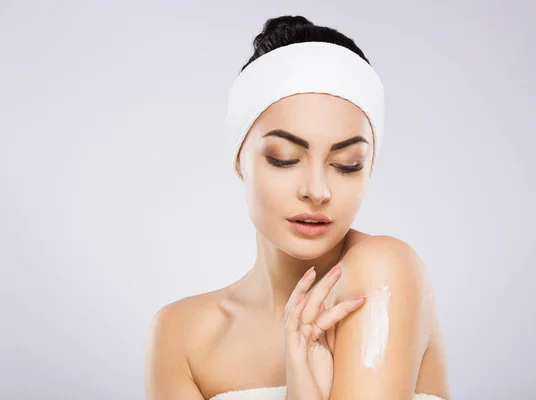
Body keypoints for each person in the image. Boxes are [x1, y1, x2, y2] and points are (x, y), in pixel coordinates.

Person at [146, 15, 451, 400]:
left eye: (347, 165)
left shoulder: (382, 272)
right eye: (284, 157)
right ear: (239, 157)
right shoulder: (180, 334)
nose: (317, 190)